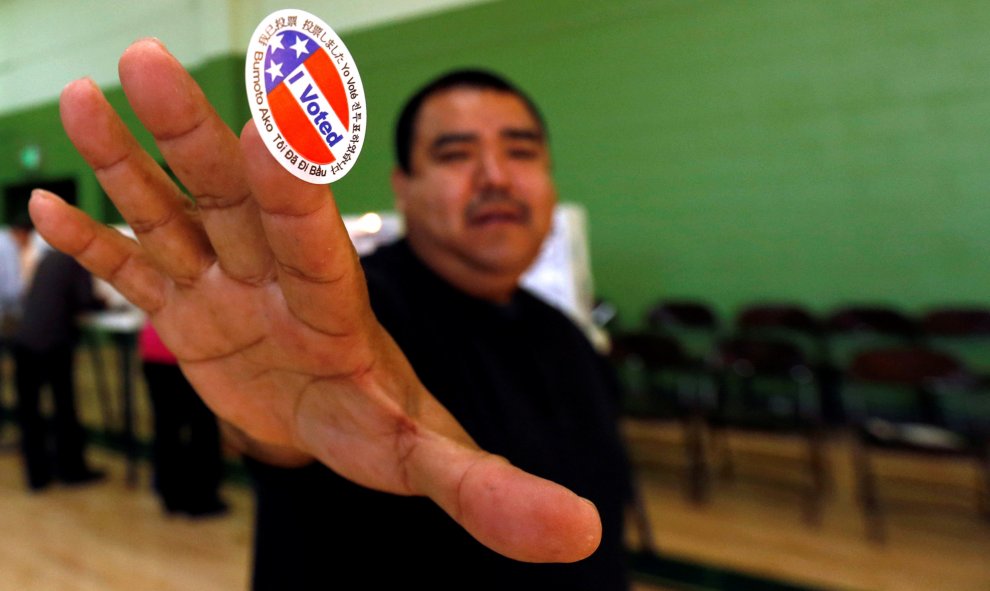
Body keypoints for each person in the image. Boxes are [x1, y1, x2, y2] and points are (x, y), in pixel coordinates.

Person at [28, 37, 630, 588]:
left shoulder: (565, 337)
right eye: (455, 154)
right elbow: (291, 423)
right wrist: (272, 431)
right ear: (403, 185)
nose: (495, 177)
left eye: (521, 152)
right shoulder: (347, 309)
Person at [12, 231, 106, 491]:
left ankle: (37, 476)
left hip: (25, 342)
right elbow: (85, 301)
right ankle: (71, 470)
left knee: (30, 411)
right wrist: (103, 303)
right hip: (52, 345)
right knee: (64, 407)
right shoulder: (77, 262)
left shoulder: (47, 259)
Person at [139, 320, 228, 517]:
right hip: (190, 352)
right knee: (202, 428)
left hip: (154, 349)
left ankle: (170, 496)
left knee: (166, 428)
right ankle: (201, 499)